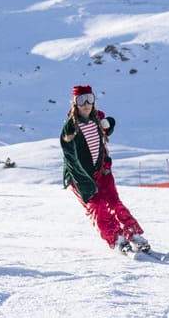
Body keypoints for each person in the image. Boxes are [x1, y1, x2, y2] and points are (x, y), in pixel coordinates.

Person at [61, 84, 150, 255]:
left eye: (89, 99)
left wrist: (108, 123)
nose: (86, 104)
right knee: (98, 206)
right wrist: (83, 181)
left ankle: (134, 235)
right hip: (80, 176)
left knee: (115, 203)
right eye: (81, 100)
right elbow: (70, 157)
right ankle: (117, 238)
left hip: (102, 172)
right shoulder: (71, 128)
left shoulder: (96, 118)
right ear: (74, 104)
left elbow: (107, 128)